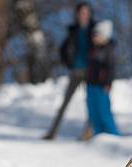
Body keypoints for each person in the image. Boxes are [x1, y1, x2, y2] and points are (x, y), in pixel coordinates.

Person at [43, 2, 94, 140]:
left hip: (90, 71)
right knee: (65, 103)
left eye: (86, 12)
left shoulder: (94, 29)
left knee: (90, 103)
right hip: (76, 70)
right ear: (77, 14)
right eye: (81, 12)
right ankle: (52, 132)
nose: (84, 15)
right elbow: (63, 50)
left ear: (89, 14)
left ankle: (88, 133)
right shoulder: (73, 30)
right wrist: (69, 63)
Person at [84, 20, 119, 138]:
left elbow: (111, 68)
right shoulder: (93, 49)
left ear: (105, 36)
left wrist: (108, 83)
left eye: (97, 34)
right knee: (93, 112)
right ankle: (98, 136)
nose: (94, 37)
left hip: (102, 86)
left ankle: (113, 135)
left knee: (104, 112)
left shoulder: (109, 49)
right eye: (94, 34)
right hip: (91, 85)